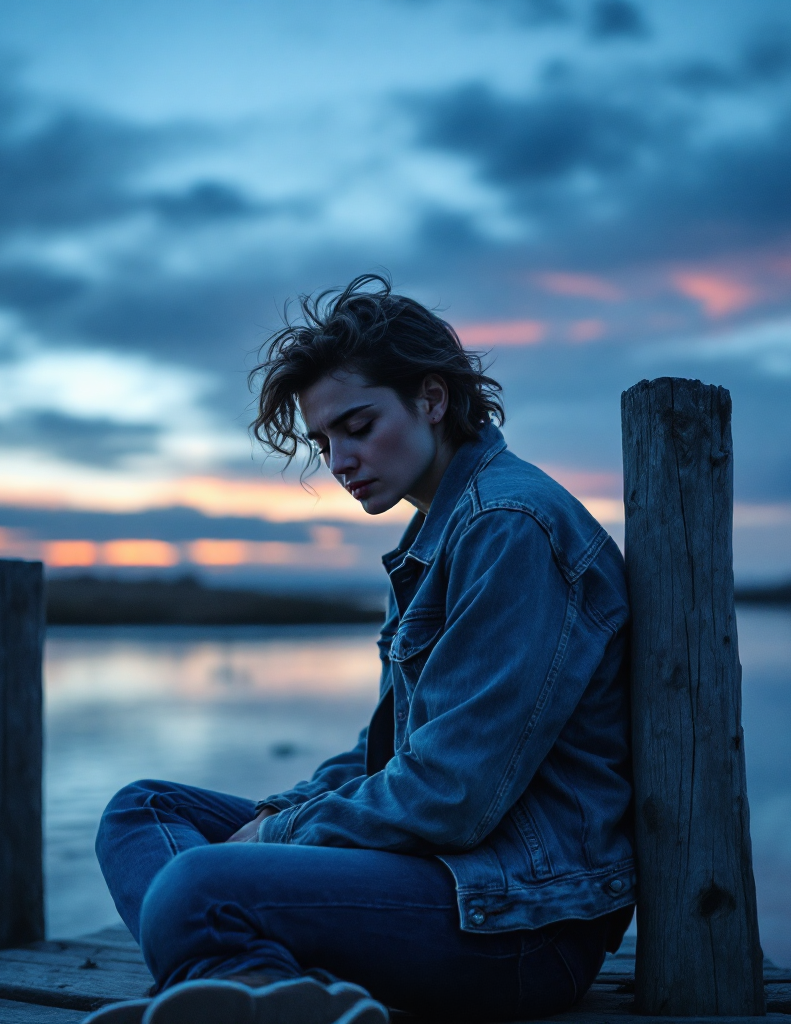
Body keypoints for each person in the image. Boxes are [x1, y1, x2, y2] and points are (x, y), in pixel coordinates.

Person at [89, 275, 635, 1024]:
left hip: (519, 925)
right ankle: (256, 987)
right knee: (141, 810)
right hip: (443, 876)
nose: (340, 460)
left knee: (197, 888)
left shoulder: (509, 527)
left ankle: (231, 984)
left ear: (433, 400)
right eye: (325, 441)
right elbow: (384, 758)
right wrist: (286, 813)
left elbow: (451, 794)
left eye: (359, 425)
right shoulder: (436, 535)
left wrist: (272, 837)